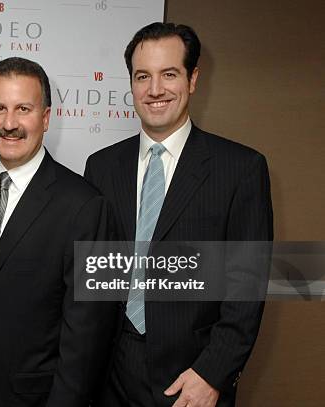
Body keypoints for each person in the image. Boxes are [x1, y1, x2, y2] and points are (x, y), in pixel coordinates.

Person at [85, 23, 273, 407]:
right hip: (108, 377)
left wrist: (212, 374)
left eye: (169, 74)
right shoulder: (101, 167)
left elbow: (247, 287)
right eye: (143, 76)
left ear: (192, 79)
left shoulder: (240, 169)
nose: (155, 90)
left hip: (192, 380)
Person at [0, 57, 116, 407]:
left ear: (45, 118)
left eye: (23, 109)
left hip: (38, 398)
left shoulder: (86, 204)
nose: (9, 123)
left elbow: (88, 332)